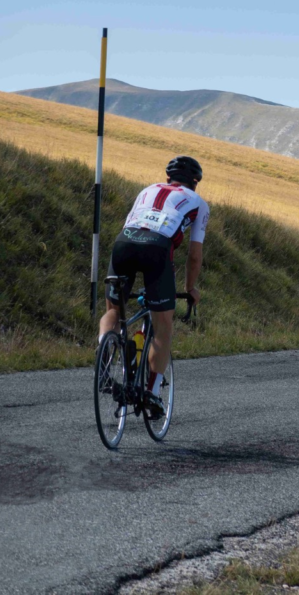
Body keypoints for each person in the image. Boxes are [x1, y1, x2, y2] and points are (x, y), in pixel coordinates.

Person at [98, 156, 209, 416]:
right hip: (158, 249)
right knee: (163, 327)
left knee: (115, 311)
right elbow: (194, 255)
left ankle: (103, 356)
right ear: (195, 182)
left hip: (124, 243)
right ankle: (152, 392)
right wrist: (190, 288)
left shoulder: (147, 189)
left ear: (168, 177)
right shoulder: (199, 203)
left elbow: (131, 222)